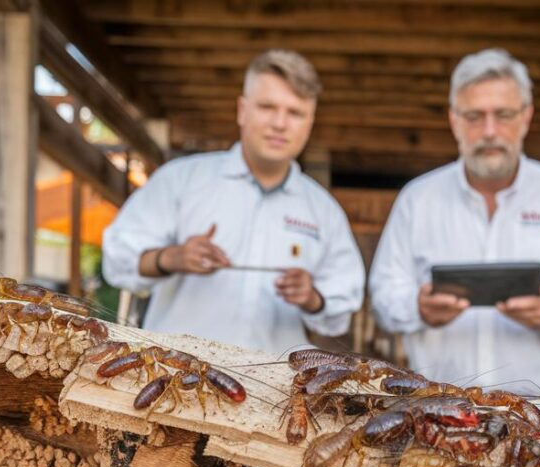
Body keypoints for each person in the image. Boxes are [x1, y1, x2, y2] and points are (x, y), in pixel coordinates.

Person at [369, 48, 540, 396]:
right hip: (436, 407)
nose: (489, 131)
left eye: (503, 114)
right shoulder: (417, 198)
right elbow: (382, 297)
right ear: (454, 120)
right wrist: (417, 308)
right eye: (474, 116)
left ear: (526, 117)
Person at [102, 50, 364, 355]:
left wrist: (311, 297)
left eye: (295, 113)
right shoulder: (180, 179)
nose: (280, 123)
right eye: (268, 107)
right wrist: (172, 257)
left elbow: (341, 311)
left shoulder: (324, 210)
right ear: (242, 110)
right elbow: (116, 259)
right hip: (175, 372)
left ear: (310, 122)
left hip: (274, 387)